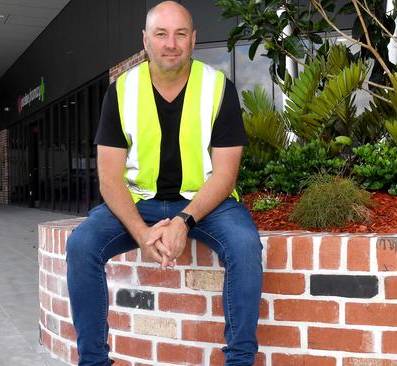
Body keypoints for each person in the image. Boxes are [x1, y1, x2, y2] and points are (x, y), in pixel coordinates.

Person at [65, 2, 263, 365]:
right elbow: (109, 180)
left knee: (246, 246)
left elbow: (225, 174)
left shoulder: (219, 87)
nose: (170, 43)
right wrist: (142, 233)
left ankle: (239, 361)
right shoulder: (121, 90)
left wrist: (183, 222)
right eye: (161, 34)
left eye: (180, 34)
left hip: (206, 203)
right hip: (140, 200)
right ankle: (93, 361)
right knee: (81, 246)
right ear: (146, 40)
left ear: (193, 39)